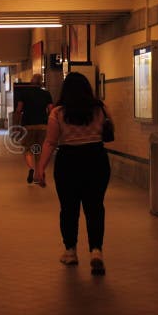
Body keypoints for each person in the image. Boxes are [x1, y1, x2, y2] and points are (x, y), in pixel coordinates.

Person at [34, 72, 113, 276]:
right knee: (95, 207)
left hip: (68, 161)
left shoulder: (58, 112)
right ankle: (96, 251)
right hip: (96, 159)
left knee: (69, 208)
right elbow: (110, 132)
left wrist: (40, 167)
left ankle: (70, 251)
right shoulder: (100, 108)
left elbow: (50, 142)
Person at [15, 74, 53, 184]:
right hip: (43, 125)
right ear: (41, 82)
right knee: (39, 149)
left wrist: (17, 124)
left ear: (32, 81)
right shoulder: (46, 94)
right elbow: (51, 109)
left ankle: (31, 168)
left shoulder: (24, 94)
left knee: (27, 150)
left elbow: (19, 109)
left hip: (28, 125)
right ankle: (39, 172)